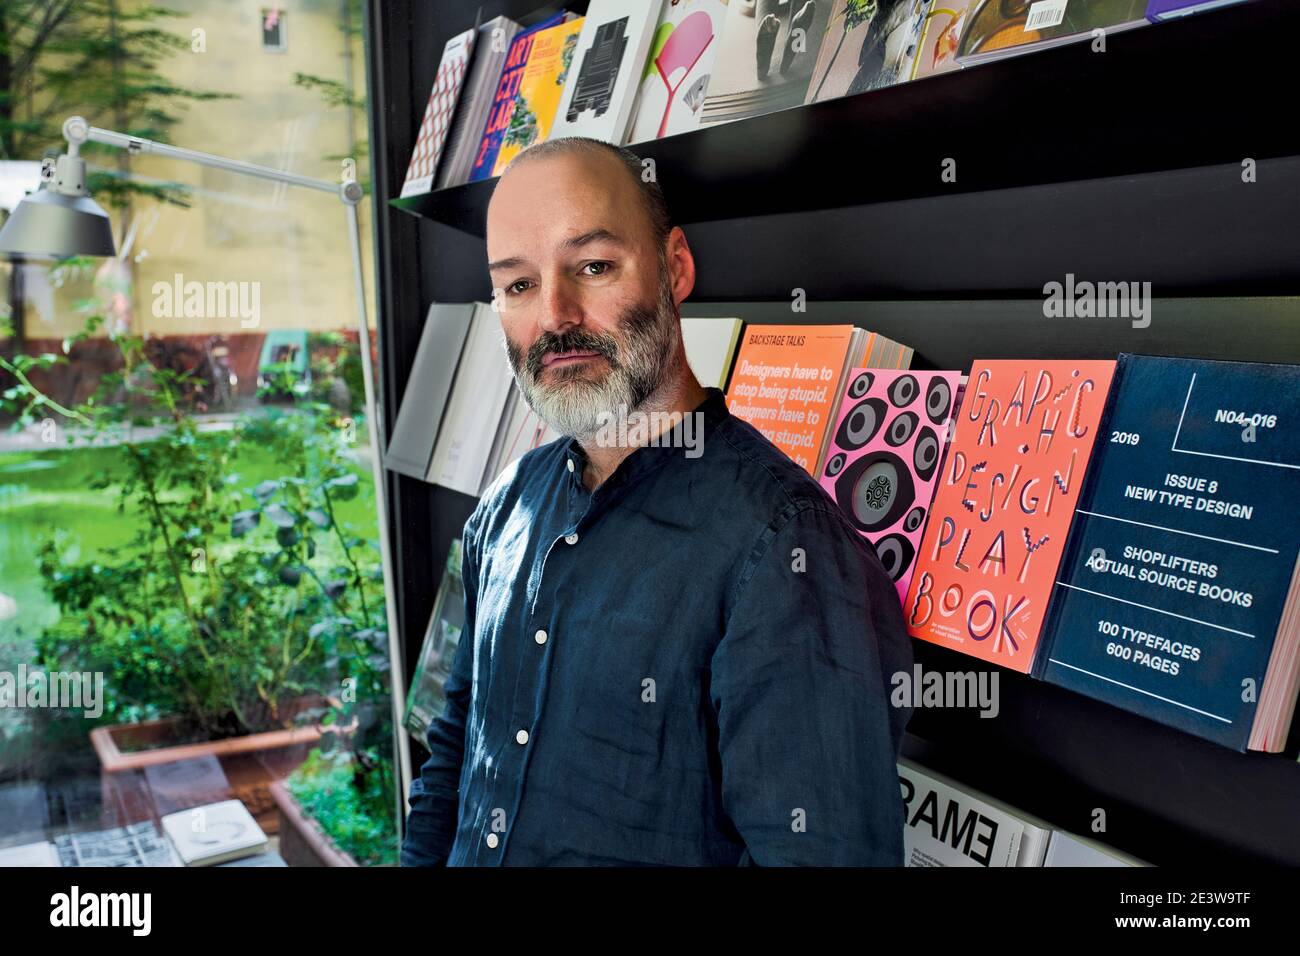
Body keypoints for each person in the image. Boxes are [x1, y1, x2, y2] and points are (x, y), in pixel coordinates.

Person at [400, 136, 913, 866]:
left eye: (594, 266)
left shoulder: (784, 554)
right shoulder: (505, 508)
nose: (555, 315)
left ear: (674, 269)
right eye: (518, 285)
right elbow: (454, 760)